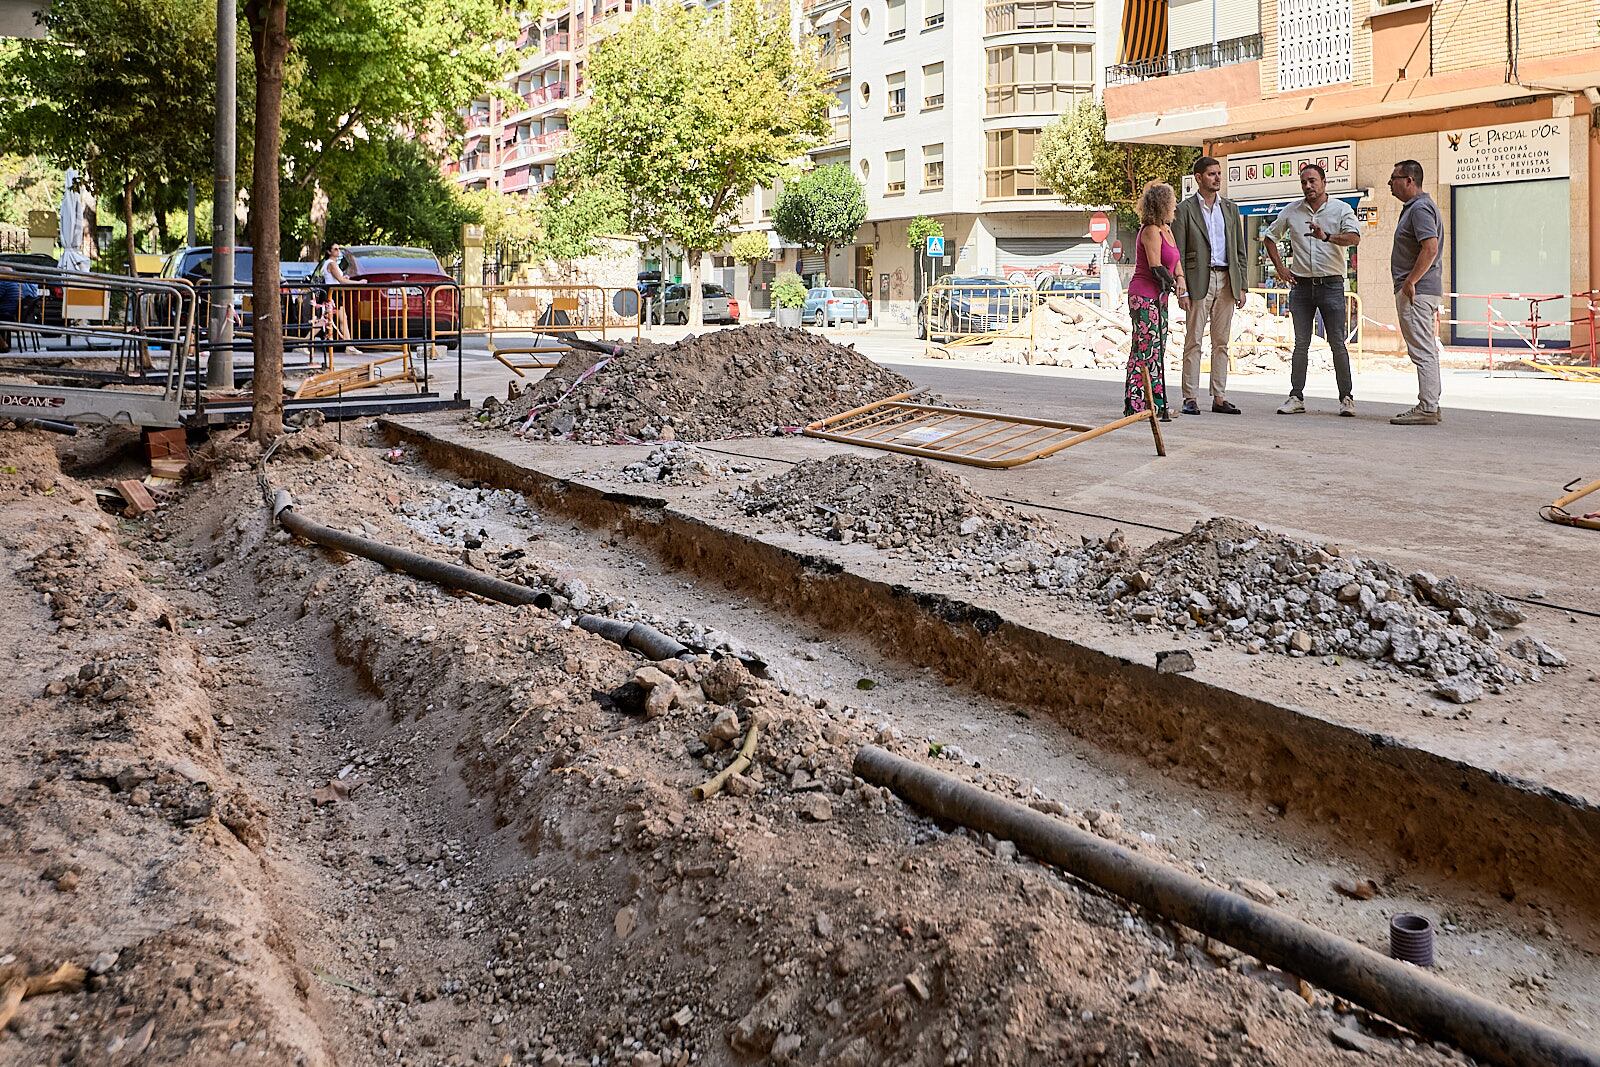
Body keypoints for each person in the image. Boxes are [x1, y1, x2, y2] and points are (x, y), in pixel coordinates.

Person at [1261, 163, 1361, 416]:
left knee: (1337, 343)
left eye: (1313, 181)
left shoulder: (1341, 209)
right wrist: (1281, 269)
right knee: (1301, 343)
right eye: (1304, 182)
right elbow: (1269, 237)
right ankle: (1296, 396)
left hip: (1331, 284)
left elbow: (1354, 237)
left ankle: (1346, 398)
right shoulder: (1292, 210)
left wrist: (1327, 237)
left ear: (1324, 182)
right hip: (1302, 285)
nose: (1308, 186)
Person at [1173, 155, 1246, 415]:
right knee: (1193, 341)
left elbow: (1240, 249)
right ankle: (1190, 397)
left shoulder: (1231, 208)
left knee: (1222, 342)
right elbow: (1178, 251)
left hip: (1227, 279)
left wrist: (1242, 286)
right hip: (1197, 281)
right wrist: (1181, 287)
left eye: (1219, 173)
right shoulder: (1184, 210)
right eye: (1212, 174)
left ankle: (1219, 396)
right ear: (1199, 178)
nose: (1217, 178)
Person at [1387, 159, 1444, 425]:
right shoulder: (1417, 207)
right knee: (1425, 348)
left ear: (1409, 180)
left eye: (1394, 178)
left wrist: (1411, 281)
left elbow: (1430, 248)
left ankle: (1428, 407)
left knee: (1422, 349)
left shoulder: (1420, 209)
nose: (1390, 183)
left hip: (1417, 292)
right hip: (1419, 290)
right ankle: (1430, 404)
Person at [1123, 181, 1184, 421]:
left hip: (1159, 297)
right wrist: (1172, 282)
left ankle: (1157, 403)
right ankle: (1139, 403)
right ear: (1162, 205)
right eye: (1171, 202)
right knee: (1145, 349)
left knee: (1157, 350)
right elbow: (1156, 265)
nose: (1174, 206)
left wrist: (1180, 279)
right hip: (1145, 295)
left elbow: (1175, 261)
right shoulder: (1150, 231)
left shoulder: (1167, 231)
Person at [316, 244, 357, 351]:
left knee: (342, 319)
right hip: (332, 294)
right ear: (329, 252)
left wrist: (344, 278)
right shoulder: (331, 264)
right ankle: (305, 342)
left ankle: (349, 346)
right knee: (325, 320)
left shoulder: (333, 264)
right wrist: (358, 282)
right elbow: (341, 280)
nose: (338, 251)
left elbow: (339, 278)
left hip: (335, 293)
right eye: (335, 249)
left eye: (338, 249)